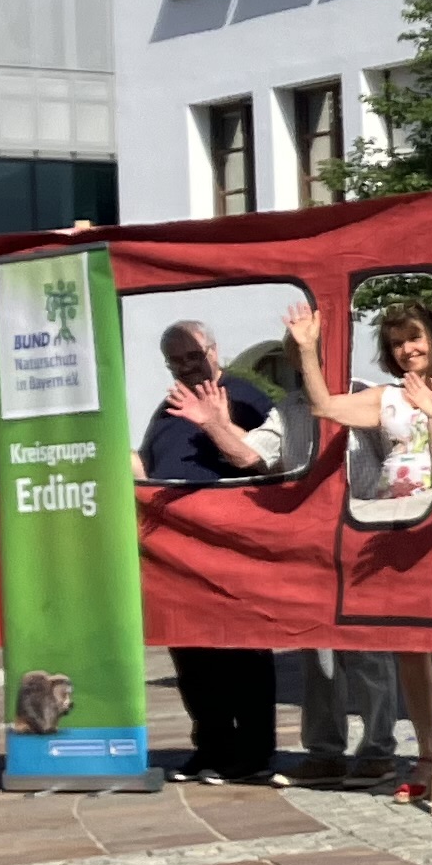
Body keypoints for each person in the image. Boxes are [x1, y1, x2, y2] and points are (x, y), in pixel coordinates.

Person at [289, 300, 432, 804]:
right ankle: (428, 753)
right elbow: (325, 407)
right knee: (409, 648)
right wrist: (307, 349)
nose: (408, 349)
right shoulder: (386, 397)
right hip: (397, 525)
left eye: (415, 337)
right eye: (397, 343)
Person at [139, 320, 284, 786]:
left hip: (229, 546)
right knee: (192, 655)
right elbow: (149, 460)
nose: (187, 366)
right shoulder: (168, 407)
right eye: (177, 360)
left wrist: (218, 424)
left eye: (193, 356)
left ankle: (255, 753)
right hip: (175, 550)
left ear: (214, 351)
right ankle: (211, 748)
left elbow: (264, 459)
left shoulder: (243, 396)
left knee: (242, 652)